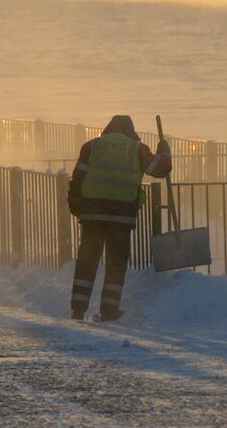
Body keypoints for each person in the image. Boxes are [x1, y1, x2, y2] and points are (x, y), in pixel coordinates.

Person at [67, 115, 172, 321]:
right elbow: (160, 169)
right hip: (121, 216)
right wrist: (164, 150)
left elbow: (77, 179)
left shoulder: (91, 146)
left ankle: (78, 309)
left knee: (87, 261)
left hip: (93, 214)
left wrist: (76, 205)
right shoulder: (136, 149)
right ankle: (109, 310)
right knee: (116, 264)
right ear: (130, 131)